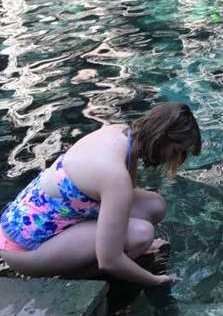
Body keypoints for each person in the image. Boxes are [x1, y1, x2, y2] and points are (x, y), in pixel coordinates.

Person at [0, 102, 202, 286]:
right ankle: (80, 278)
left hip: (26, 223)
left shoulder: (121, 133)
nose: (176, 159)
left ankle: (118, 256)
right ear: (161, 137)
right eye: (177, 151)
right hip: (25, 249)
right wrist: (155, 280)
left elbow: (128, 196)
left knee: (155, 205)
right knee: (142, 234)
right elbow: (109, 260)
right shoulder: (114, 177)